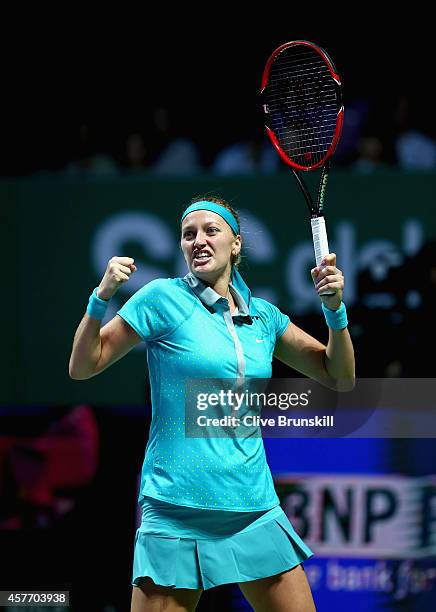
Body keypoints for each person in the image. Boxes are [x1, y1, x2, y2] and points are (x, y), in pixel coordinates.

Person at [69, 195, 355, 611]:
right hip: (176, 508)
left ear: (235, 244)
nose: (198, 241)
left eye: (210, 231)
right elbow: (84, 365)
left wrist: (334, 311)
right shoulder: (161, 299)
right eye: (188, 234)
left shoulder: (264, 318)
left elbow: (340, 377)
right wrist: (102, 296)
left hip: (252, 506)